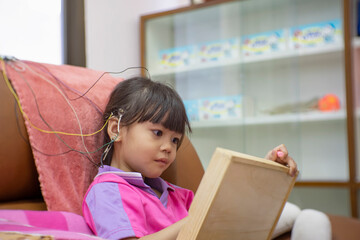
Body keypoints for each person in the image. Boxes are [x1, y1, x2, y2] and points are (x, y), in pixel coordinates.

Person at [82, 76, 297, 240]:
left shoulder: (178, 195)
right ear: (116, 129)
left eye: (175, 140)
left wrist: (267, 171)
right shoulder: (107, 191)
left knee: (298, 216)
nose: (168, 147)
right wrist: (194, 222)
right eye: (157, 133)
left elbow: (231, 222)